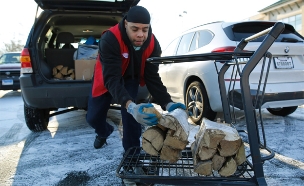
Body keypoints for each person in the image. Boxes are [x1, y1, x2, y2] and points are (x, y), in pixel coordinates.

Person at [86, 6, 186, 153]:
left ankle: (132, 155)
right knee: (93, 117)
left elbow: (152, 76)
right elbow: (112, 79)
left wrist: (167, 102)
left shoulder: (153, 44)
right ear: (126, 24)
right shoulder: (110, 39)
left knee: (131, 118)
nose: (140, 35)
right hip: (108, 78)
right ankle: (104, 131)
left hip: (130, 78)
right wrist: (130, 105)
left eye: (145, 30)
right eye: (135, 29)